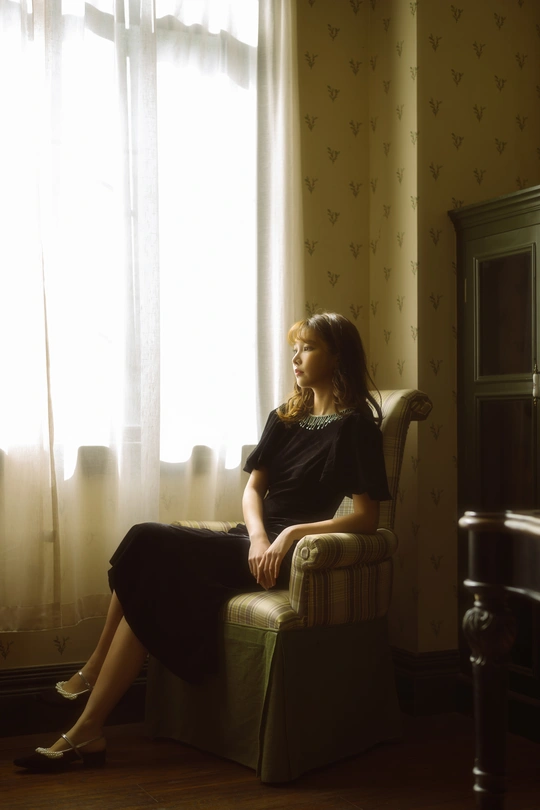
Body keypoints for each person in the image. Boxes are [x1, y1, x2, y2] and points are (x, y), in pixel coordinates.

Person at [14, 311, 391, 771]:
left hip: (288, 557)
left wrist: (289, 535)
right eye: (295, 348)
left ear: (337, 356)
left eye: (308, 348)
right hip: (251, 543)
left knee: (145, 539)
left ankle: (91, 677)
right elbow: (253, 490)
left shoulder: (356, 427)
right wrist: (258, 536)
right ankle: (88, 730)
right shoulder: (285, 417)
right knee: (148, 573)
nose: (295, 357)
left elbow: (367, 518)